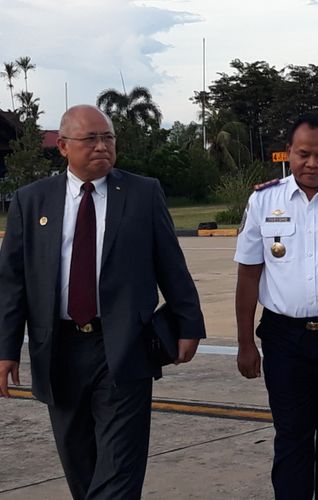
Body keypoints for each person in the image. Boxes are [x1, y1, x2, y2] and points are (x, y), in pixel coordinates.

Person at [0, 105, 206, 500]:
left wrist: (189, 323)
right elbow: (12, 282)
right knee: (81, 467)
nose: (101, 147)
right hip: (58, 348)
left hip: (123, 345)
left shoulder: (143, 193)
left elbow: (171, 265)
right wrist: (6, 348)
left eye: (107, 137)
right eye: (90, 139)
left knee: (119, 469)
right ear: (62, 146)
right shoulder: (32, 201)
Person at [234, 114, 318, 500]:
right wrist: (246, 342)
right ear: (288, 154)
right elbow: (248, 276)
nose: (312, 164)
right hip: (285, 340)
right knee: (292, 438)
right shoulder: (264, 201)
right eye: (303, 154)